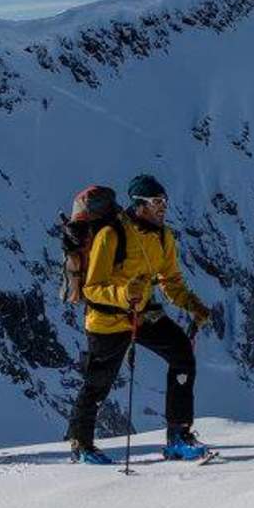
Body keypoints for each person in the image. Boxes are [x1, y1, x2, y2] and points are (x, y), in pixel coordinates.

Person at [68, 173, 215, 464]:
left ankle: (178, 436)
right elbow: (92, 288)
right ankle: (81, 445)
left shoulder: (164, 237)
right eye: (156, 202)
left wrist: (192, 305)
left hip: (142, 314)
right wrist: (124, 295)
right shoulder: (112, 235)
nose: (163, 207)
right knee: (98, 383)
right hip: (108, 320)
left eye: (164, 202)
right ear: (140, 205)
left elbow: (171, 281)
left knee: (183, 355)